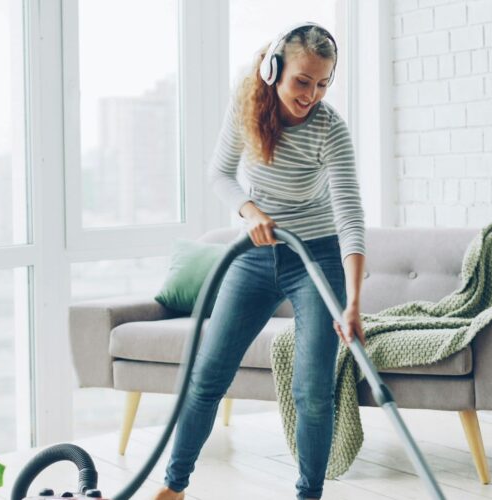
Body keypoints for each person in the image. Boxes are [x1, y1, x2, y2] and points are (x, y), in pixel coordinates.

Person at [153, 22, 366, 500]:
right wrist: (250, 211)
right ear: (273, 71)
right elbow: (220, 174)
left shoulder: (330, 130)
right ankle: (174, 487)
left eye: (323, 83)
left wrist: (353, 302)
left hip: (316, 258)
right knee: (208, 374)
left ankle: (308, 494)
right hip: (253, 256)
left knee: (312, 392)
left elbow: (350, 216)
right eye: (302, 81)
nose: (312, 94)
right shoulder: (247, 104)